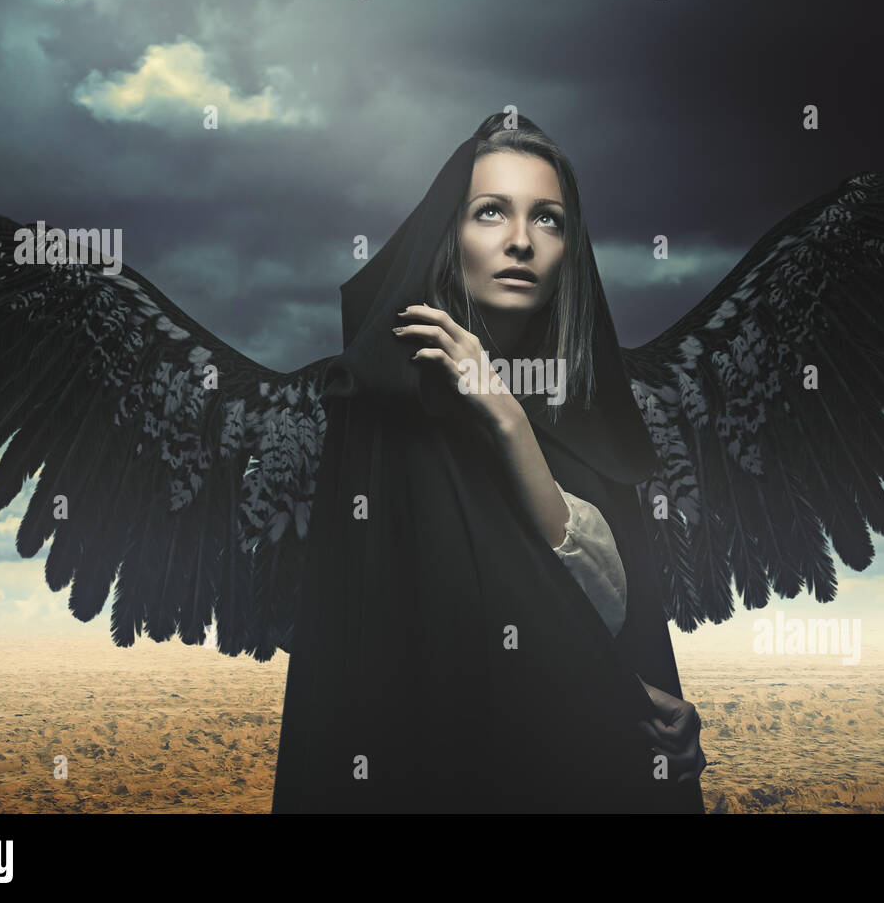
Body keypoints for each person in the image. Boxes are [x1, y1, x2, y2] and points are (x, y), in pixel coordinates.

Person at [273, 112, 706, 812]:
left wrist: (507, 416)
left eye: (549, 220)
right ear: (451, 234)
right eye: (490, 213)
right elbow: (440, 631)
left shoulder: (590, 415)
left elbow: (606, 609)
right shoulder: (388, 403)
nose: (520, 242)